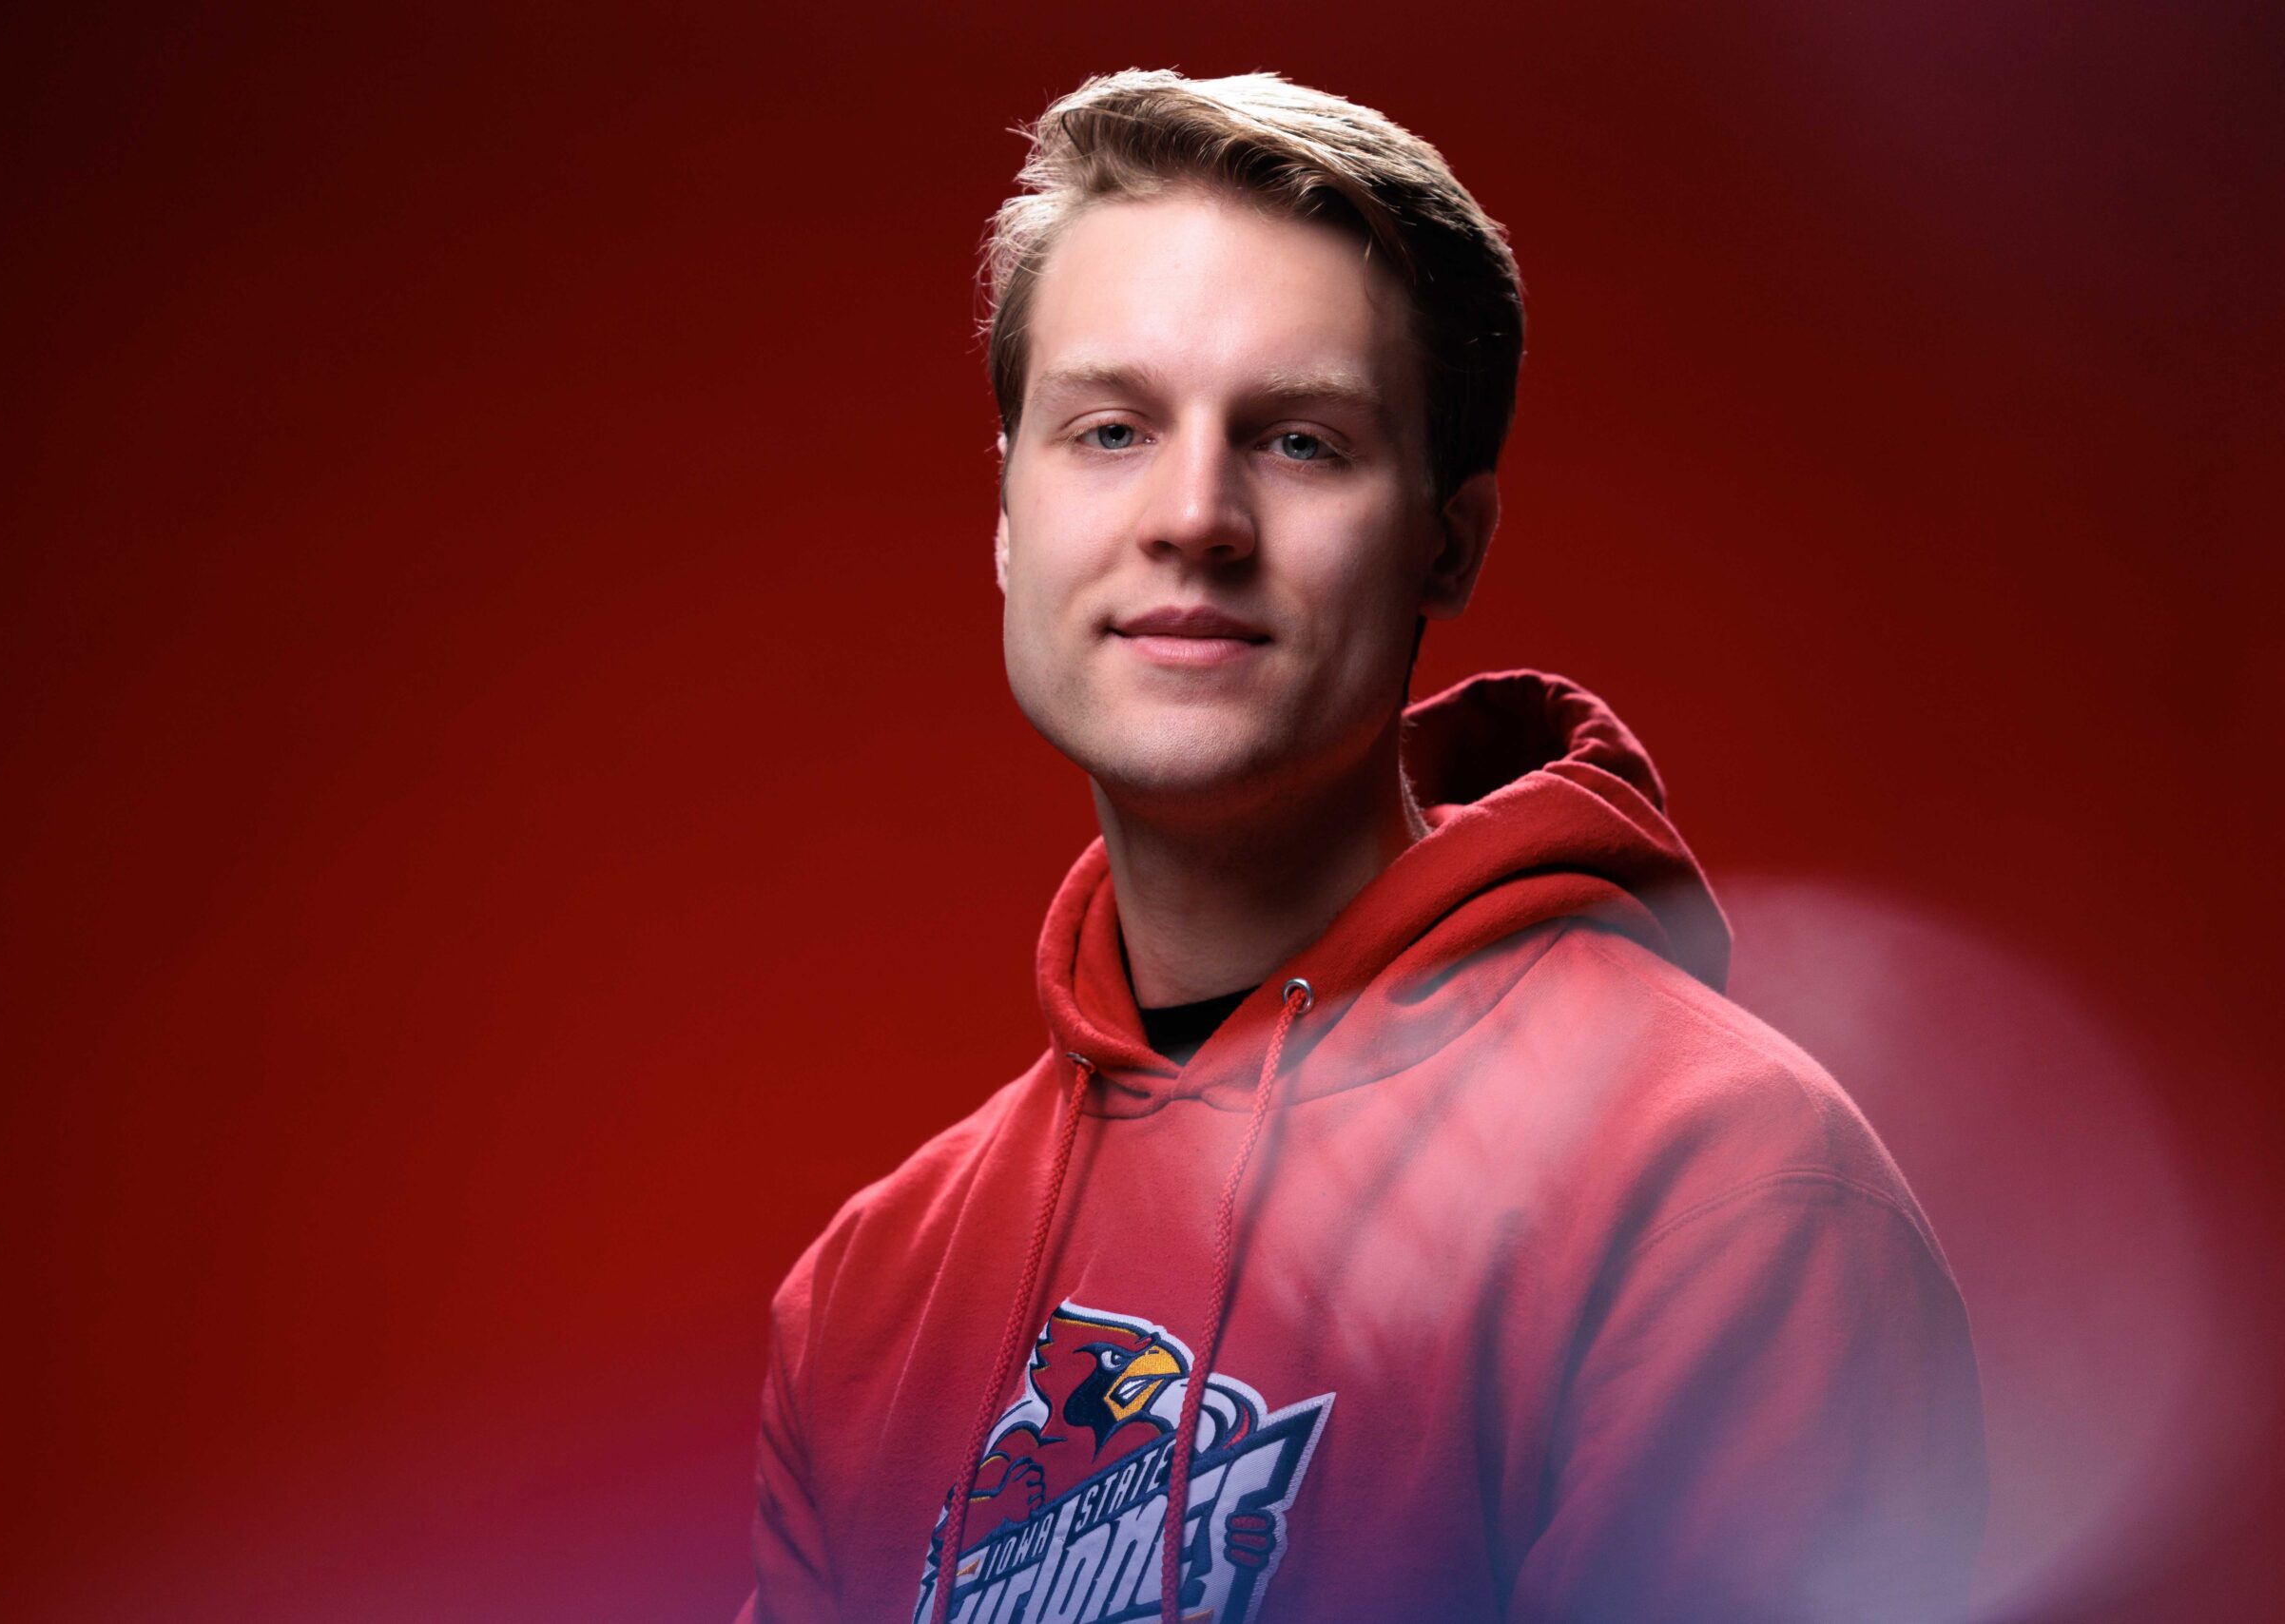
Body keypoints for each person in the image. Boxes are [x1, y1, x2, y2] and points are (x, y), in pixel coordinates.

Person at [738, 68, 1986, 1624]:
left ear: (1447, 541)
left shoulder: (1721, 1191)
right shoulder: (870, 1295)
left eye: (1303, 442)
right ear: (1007, 519)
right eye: (1111, 428)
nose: (1194, 516)